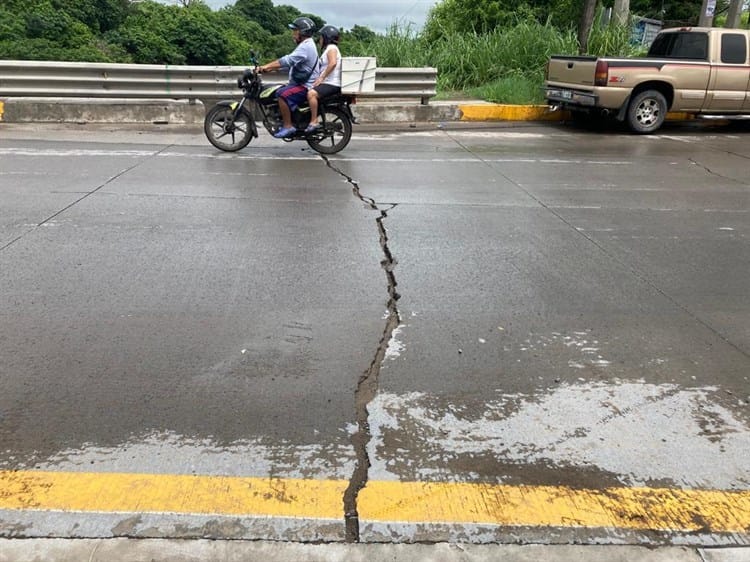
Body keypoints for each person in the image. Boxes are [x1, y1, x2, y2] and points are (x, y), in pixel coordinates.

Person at [258, 17, 319, 138]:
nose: (293, 34)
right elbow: (291, 64)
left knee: (282, 95)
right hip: (300, 83)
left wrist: (266, 66)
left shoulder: (305, 47)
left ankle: (288, 126)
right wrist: (269, 69)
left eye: (295, 31)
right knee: (280, 90)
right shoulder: (306, 45)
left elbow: (287, 60)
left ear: (303, 32)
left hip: (305, 86)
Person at [305, 25, 342, 134]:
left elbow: (333, 63)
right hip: (329, 82)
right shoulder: (328, 49)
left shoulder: (331, 48)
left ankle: (314, 121)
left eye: (321, 37)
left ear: (327, 38)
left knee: (311, 94)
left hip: (332, 83)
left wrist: (321, 78)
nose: (319, 40)